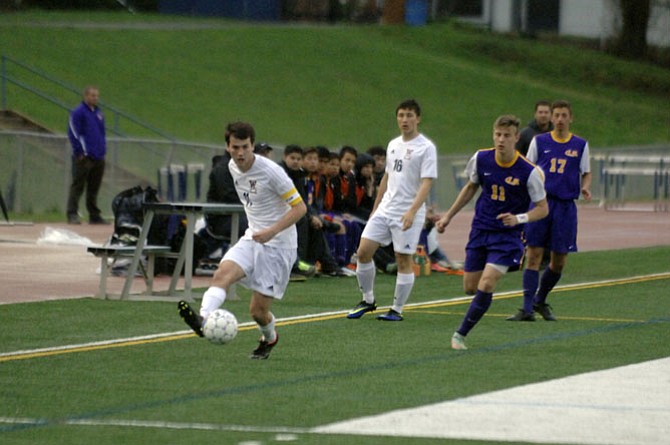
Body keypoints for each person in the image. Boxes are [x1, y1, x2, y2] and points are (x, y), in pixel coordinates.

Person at [178, 122, 307, 360]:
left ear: (252, 146)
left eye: (245, 147)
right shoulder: (231, 167)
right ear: (227, 147)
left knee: (258, 312)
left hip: (279, 245)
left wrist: (271, 231)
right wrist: (260, 231)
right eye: (235, 147)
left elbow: (300, 208)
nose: (240, 153)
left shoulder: (271, 172)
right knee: (221, 275)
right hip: (252, 237)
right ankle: (204, 319)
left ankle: (269, 338)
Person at [436, 115, 548, 350]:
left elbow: (542, 209)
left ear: (516, 138)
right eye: (498, 134)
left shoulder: (529, 172)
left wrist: (519, 218)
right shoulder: (481, 158)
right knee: (470, 287)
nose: (501, 140)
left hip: (508, 237)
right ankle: (483, 300)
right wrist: (447, 216)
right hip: (481, 230)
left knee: (486, 283)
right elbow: (470, 187)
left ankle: (460, 334)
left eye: (507, 136)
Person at [346, 99, 437, 321]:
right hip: (386, 209)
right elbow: (387, 177)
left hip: (408, 212)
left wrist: (412, 212)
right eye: (401, 115)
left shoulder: (426, 147)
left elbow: (426, 183)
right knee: (363, 251)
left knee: (403, 260)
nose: (404, 120)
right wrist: (376, 208)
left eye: (409, 115)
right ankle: (368, 300)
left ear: (418, 118)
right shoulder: (393, 144)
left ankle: (396, 309)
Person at [507, 100, 592, 322]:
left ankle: (540, 299)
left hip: (565, 207)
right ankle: (526, 308)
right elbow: (527, 168)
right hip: (541, 204)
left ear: (570, 118)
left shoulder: (580, 145)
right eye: (557, 115)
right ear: (551, 118)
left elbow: (586, 171)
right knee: (533, 255)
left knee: (559, 260)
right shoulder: (539, 141)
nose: (561, 119)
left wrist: (585, 186)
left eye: (565, 115)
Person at [66, 85, 108, 225]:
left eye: (97, 96)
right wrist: (80, 151)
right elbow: (73, 132)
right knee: (78, 185)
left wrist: (102, 149)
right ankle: (72, 213)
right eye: (92, 95)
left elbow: (101, 133)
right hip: (85, 156)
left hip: (98, 155)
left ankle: (94, 214)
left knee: (94, 187)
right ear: (86, 96)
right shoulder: (79, 112)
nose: (95, 98)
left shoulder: (98, 113)